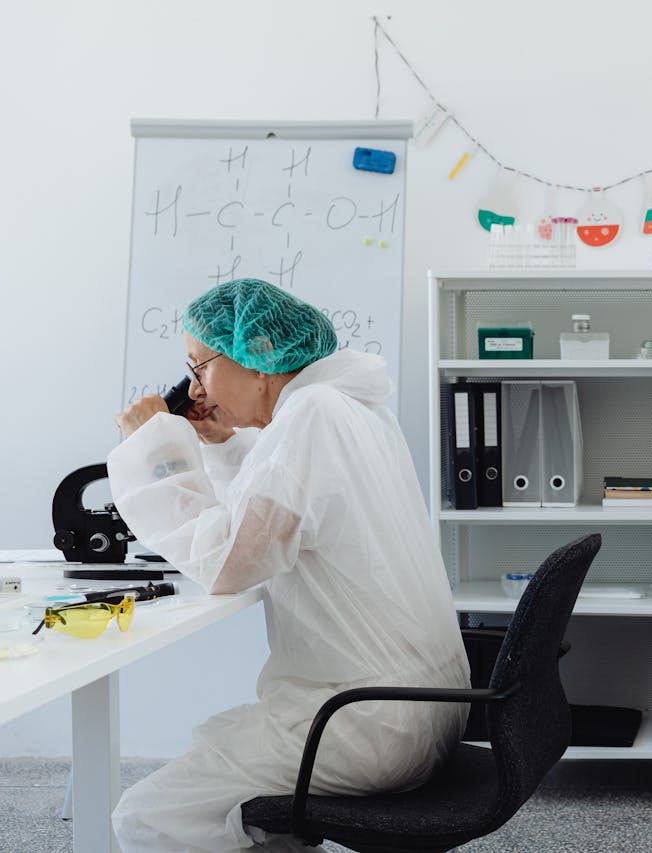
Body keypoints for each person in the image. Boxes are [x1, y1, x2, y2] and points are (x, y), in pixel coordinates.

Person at [107, 278, 470, 852]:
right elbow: (274, 514)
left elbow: (229, 561)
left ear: (260, 357)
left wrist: (154, 448)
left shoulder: (313, 414)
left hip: (365, 722)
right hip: (420, 710)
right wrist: (225, 444)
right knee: (222, 758)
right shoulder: (345, 405)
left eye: (198, 367)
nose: (195, 388)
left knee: (147, 816)